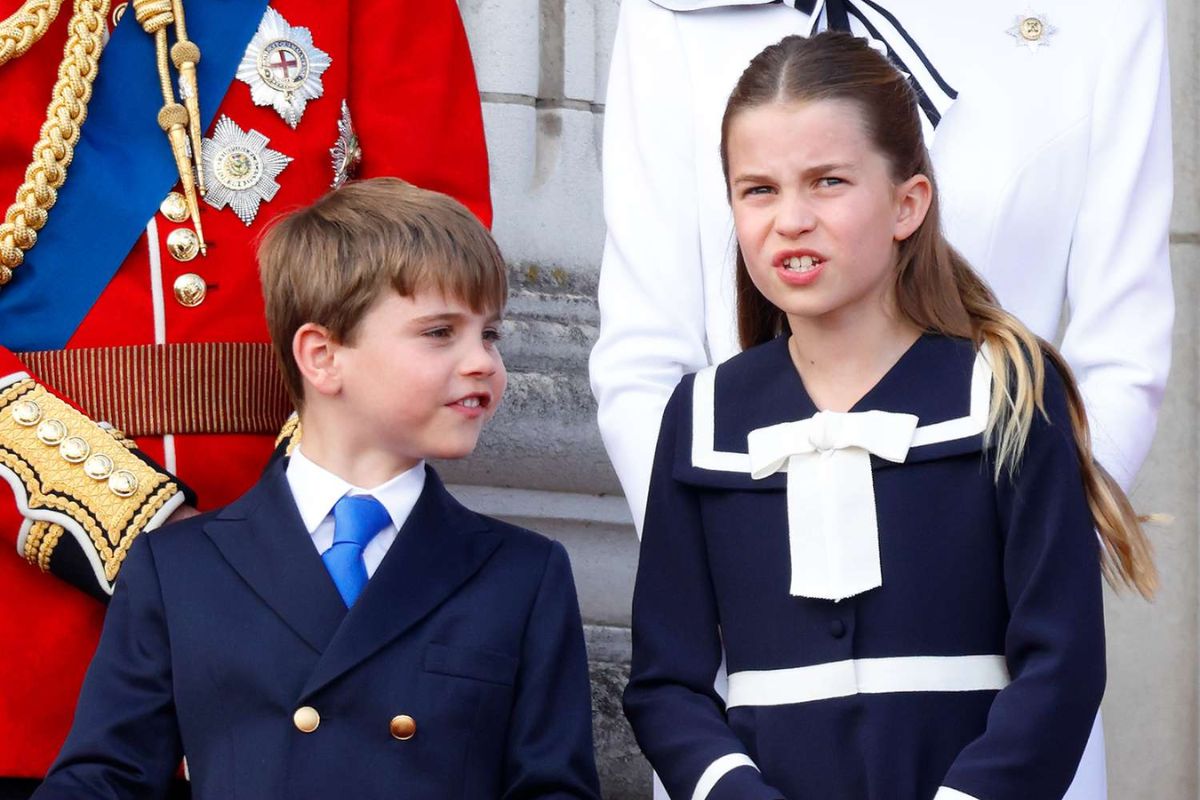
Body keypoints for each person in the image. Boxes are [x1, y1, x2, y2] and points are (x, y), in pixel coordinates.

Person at [591, 2, 1173, 796]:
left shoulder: (1010, 395)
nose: (791, 220)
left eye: (828, 183)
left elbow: (1060, 661)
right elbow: (668, 678)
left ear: (910, 203)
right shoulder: (703, 421)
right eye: (757, 191)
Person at [0, 0, 490, 791]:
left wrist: (275, 549)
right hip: (28, 617)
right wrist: (128, 519)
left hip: (292, 601)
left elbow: (435, 280)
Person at [29, 177, 602, 800]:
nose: (483, 362)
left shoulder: (522, 573)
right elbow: (104, 780)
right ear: (322, 356)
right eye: (440, 332)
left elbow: (555, 790)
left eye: (489, 334)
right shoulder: (179, 568)